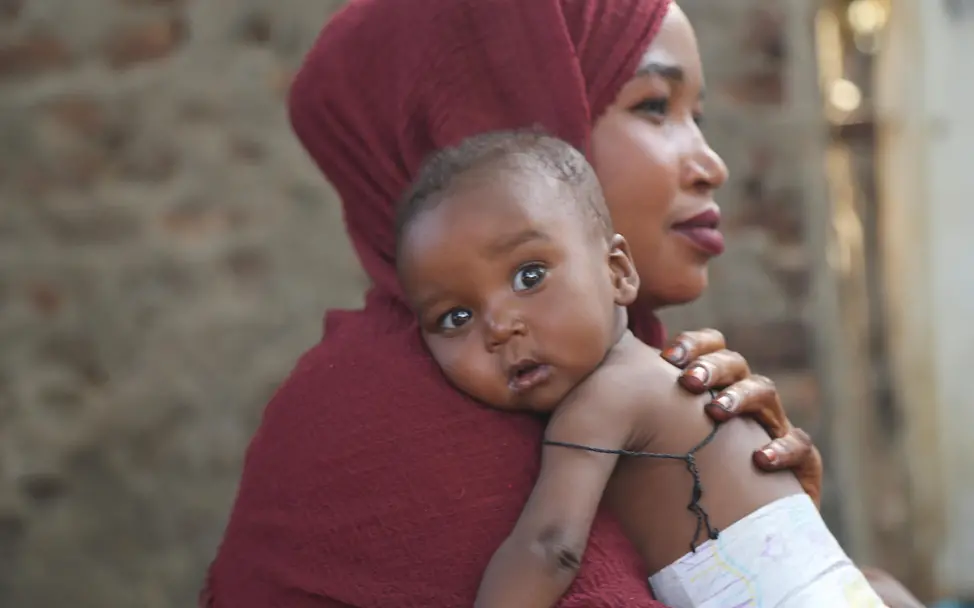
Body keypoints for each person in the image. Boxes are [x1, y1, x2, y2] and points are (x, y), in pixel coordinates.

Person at [201, 0, 914, 606]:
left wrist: (779, 517)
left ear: (617, 269)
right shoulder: (373, 436)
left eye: (697, 113)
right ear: (505, 113)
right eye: (654, 107)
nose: (711, 163)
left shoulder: (620, 377)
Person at [394, 130, 885, 608]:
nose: (499, 327)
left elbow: (549, 549)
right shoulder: (656, 380)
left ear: (617, 272)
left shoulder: (607, 398)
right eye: (456, 317)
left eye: (530, 276)